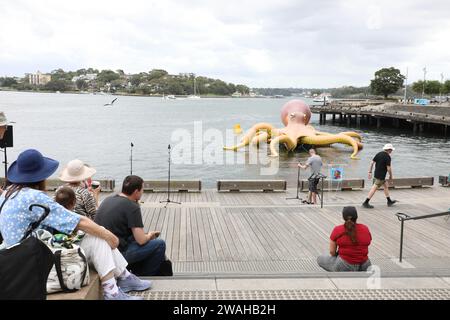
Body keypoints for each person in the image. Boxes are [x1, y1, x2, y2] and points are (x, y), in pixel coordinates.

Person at [0, 149, 149, 300]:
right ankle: (113, 291)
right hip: (33, 259)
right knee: (98, 238)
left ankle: (124, 276)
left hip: (17, 255)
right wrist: (111, 237)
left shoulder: (8, 193)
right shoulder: (35, 197)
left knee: (98, 233)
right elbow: (79, 221)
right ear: (41, 176)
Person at [95, 175, 166, 276]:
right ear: (136, 191)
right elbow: (141, 240)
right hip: (117, 254)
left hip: (102, 251)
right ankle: (146, 276)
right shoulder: (132, 206)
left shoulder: (108, 199)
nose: (142, 192)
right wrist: (150, 235)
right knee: (159, 244)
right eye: (142, 190)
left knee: (135, 238)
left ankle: (133, 273)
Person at [317, 206, 372, 272]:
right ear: (356, 217)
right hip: (365, 265)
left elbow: (332, 252)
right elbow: (368, 242)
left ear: (343, 217)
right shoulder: (365, 228)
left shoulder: (338, 230)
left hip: (344, 265)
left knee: (319, 259)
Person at [363, 144, 397, 209]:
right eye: (391, 150)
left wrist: (370, 172)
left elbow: (372, 163)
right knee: (374, 188)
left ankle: (389, 201)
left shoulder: (379, 153)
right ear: (389, 150)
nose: (392, 151)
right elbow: (388, 168)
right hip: (381, 176)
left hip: (377, 174)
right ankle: (366, 202)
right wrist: (391, 176)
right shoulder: (387, 157)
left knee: (385, 186)